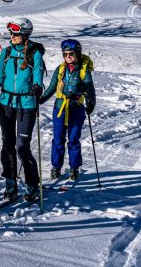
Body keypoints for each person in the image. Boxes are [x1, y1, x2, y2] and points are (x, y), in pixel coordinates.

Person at [0, 18, 44, 202]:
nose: (12, 36)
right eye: (11, 33)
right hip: (6, 104)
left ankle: (31, 184)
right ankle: (10, 183)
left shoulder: (34, 54)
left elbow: (38, 79)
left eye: (16, 33)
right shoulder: (6, 53)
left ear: (25, 34)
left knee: (22, 148)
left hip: (26, 105)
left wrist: (37, 88)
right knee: (7, 145)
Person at [39, 39, 95, 181]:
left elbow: (90, 89)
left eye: (71, 54)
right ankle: (56, 167)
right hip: (60, 109)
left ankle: (74, 167)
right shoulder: (60, 69)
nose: (68, 57)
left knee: (73, 139)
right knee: (58, 139)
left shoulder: (83, 70)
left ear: (78, 53)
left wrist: (91, 103)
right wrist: (40, 100)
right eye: (65, 54)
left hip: (76, 109)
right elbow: (52, 88)